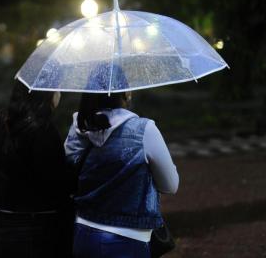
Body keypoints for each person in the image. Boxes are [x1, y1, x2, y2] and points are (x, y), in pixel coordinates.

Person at [64, 64, 179, 258]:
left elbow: (68, 168)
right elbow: (171, 185)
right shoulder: (144, 130)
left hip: (83, 231)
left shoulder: (80, 127)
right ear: (125, 93)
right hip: (128, 238)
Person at [0, 82, 72, 257]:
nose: (60, 94)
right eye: (58, 89)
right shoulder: (44, 131)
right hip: (34, 231)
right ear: (47, 94)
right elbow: (57, 189)